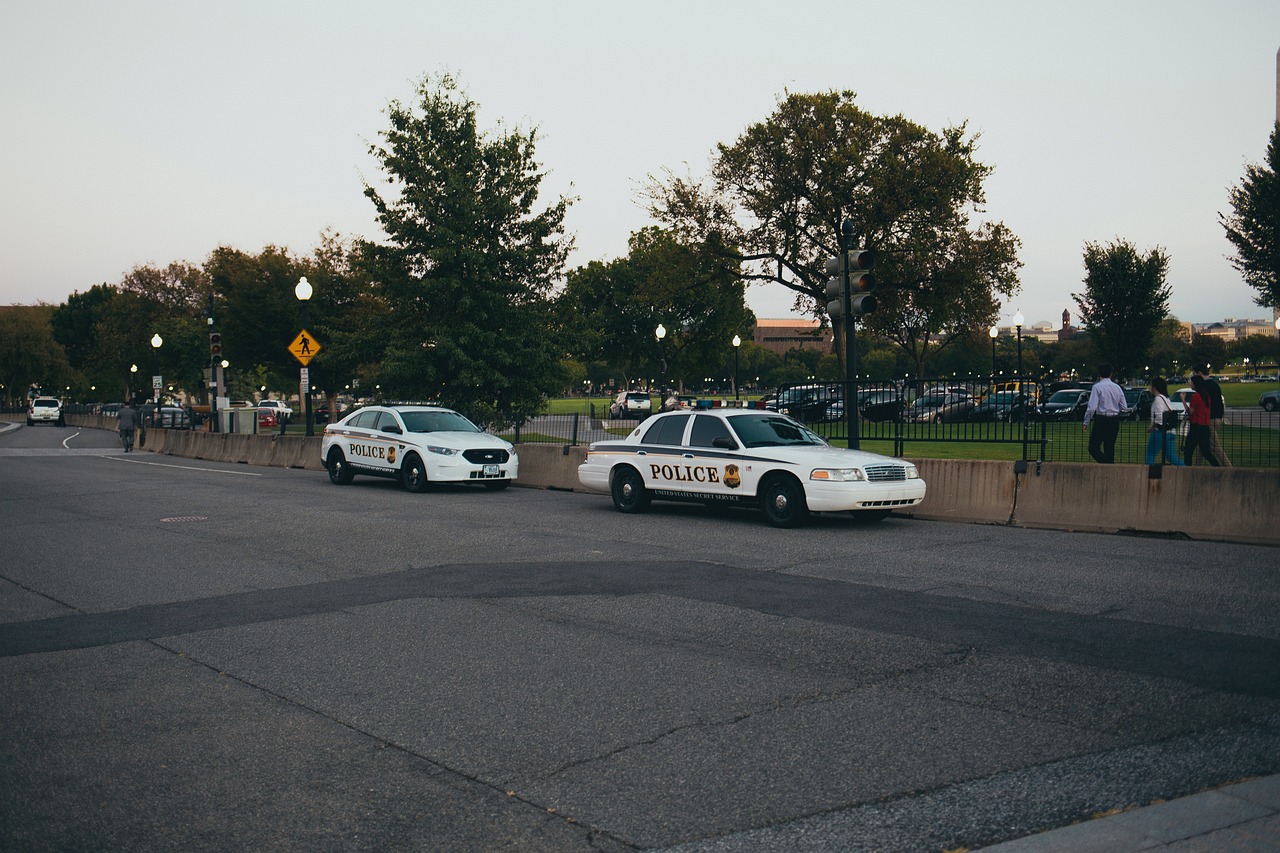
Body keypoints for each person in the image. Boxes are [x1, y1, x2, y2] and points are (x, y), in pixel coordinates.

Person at [1082, 363, 1128, 463]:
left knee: (1093, 447)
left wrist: (1086, 422)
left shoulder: (1097, 387)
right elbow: (1124, 407)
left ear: (1099, 374)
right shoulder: (1117, 387)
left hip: (1101, 419)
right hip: (1114, 419)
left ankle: (1105, 463)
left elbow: (1092, 407)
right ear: (1111, 374)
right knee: (1109, 447)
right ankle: (1109, 466)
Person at [1191, 365, 1231, 466]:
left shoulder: (1205, 386)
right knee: (1202, 445)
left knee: (1214, 446)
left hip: (1209, 419)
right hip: (1217, 417)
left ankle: (1228, 466)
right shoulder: (1215, 384)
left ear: (1199, 373)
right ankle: (1197, 466)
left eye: (1195, 374)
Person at [1181, 374, 1220, 467]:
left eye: (1191, 382)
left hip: (1196, 427)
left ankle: (1187, 470)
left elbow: (1190, 412)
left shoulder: (1195, 397)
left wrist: (1183, 400)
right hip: (1204, 427)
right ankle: (1216, 466)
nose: (1190, 384)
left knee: (1188, 451)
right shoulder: (1206, 396)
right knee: (1206, 451)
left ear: (1195, 384)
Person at [1144, 377, 1184, 466]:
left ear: (1154, 387)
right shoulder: (1166, 399)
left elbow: (1159, 417)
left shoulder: (1158, 399)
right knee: (1171, 456)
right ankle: (1186, 470)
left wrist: (1152, 427)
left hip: (1160, 432)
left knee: (1150, 455)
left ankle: (1151, 475)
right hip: (1171, 432)